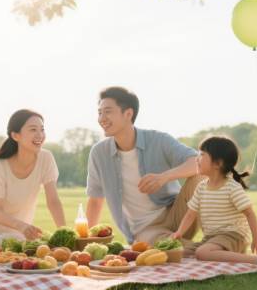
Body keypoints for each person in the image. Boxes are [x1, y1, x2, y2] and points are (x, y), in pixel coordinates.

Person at [85, 86, 201, 245]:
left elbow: (198, 162)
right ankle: (203, 249)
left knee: (201, 177)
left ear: (128, 114)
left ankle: (217, 236)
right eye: (100, 112)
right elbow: (95, 200)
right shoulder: (99, 153)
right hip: (146, 230)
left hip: (177, 213)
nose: (102, 118)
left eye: (108, 111)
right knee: (156, 245)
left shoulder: (158, 140)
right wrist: (87, 242)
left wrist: (164, 177)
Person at [0, 109, 65, 248]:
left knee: (28, 251)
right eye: (33, 129)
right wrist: (22, 226)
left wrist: (64, 233)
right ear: (15, 135)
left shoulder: (46, 158)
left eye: (42, 129)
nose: (40, 135)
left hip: (13, 231)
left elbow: (53, 201)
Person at [171, 136, 257, 269]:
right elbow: (190, 214)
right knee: (180, 251)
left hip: (234, 236)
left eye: (201, 155)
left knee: (202, 253)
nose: (196, 158)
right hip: (212, 238)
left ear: (218, 163)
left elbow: (250, 214)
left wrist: (256, 240)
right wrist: (178, 233)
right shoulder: (201, 187)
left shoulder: (231, 187)